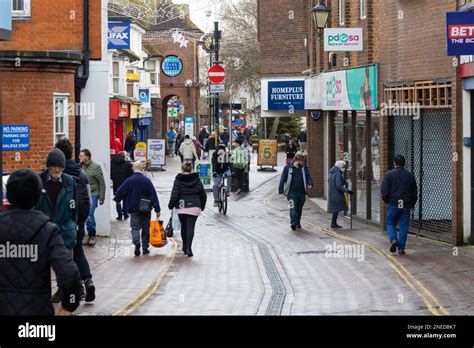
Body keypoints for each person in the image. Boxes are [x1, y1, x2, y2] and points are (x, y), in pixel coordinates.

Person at [0, 169, 82, 315]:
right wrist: (69, 304)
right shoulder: (47, 230)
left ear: (9, 195)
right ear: (38, 196)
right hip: (37, 311)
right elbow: (69, 274)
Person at [36, 149, 79, 303]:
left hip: (65, 231)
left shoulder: (70, 182)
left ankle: (63, 291)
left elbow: (74, 207)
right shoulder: (38, 181)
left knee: (65, 267)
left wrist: (72, 224)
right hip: (43, 231)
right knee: (41, 266)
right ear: (48, 166)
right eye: (53, 166)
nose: (56, 169)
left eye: (59, 167)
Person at [55, 138, 95, 303]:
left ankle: (65, 290)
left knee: (59, 256)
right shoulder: (81, 173)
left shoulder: (58, 175)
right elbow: (89, 201)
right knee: (78, 251)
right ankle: (88, 281)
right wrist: (82, 220)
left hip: (62, 222)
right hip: (79, 220)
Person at [114, 161, 161, 257]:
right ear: (142, 169)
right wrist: (157, 208)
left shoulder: (129, 180)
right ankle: (145, 247)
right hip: (146, 208)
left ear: (133, 169)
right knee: (145, 228)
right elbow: (153, 194)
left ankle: (136, 242)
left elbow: (121, 191)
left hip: (133, 207)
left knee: (135, 227)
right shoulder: (147, 181)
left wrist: (117, 199)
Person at [168, 162, 207, 257]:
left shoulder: (178, 180)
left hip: (182, 207)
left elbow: (174, 194)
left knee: (184, 227)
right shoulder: (197, 180)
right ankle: (189, 248)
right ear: (191, 169)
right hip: (194, 207)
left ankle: (185, 246)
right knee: (190, 227)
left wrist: (170, 205)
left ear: (182, 169)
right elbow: (203, 194)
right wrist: (201, 206)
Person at [381, 155, 418, 255]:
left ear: (394, 163)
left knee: (390, 223)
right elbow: (414, 192)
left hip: (393, 203)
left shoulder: (389, 175)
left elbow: (384, 191)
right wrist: (412, 204)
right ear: (404, 163)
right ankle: (401, 248)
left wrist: (387, 201)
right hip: (406, 205)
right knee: (404, 226)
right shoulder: (410, 175)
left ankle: (393, 239)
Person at [278, 152, 313, 230]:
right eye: (302, 161)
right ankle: (293, 223)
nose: (303, 163)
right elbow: (282, 179)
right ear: (296, 160)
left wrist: (310, 183)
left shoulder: (304, 168)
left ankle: (297, 222)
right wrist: (280, 190)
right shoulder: (287, 168)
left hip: (301, 193)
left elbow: (308, 176)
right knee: (293, 207)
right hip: (291, 193)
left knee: (299, 209)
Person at [79, 149, 106, 246]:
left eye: (81, 156)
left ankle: (92, 236)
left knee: (89, 214)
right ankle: (86, 235)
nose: (79, 157)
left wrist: (102, 197)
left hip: (93, 194)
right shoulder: (79, 167)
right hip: (82, 194)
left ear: (87, 157)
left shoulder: (96, 167)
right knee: (86, 214)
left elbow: (102, 183)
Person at [328, 160, 353, 229]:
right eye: (343, 167)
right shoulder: (338, 174)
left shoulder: (332, 172)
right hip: (336, 194)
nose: (344, 168)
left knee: (335, 209)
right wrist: (347, 191)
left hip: (332, 193)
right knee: (336, 209)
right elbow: (338, 185)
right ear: (340, 166)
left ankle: (333, 223)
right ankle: (333, 223)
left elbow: (330, 182)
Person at [111, 152, 133, 220]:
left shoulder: (112, 164)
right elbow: (130, 175)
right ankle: (125, 214)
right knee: (125, 199)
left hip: (116, 184)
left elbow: (111, 175)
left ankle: (119, 215)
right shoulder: (128, 165)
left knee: (118, 200)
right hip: (125, 184)